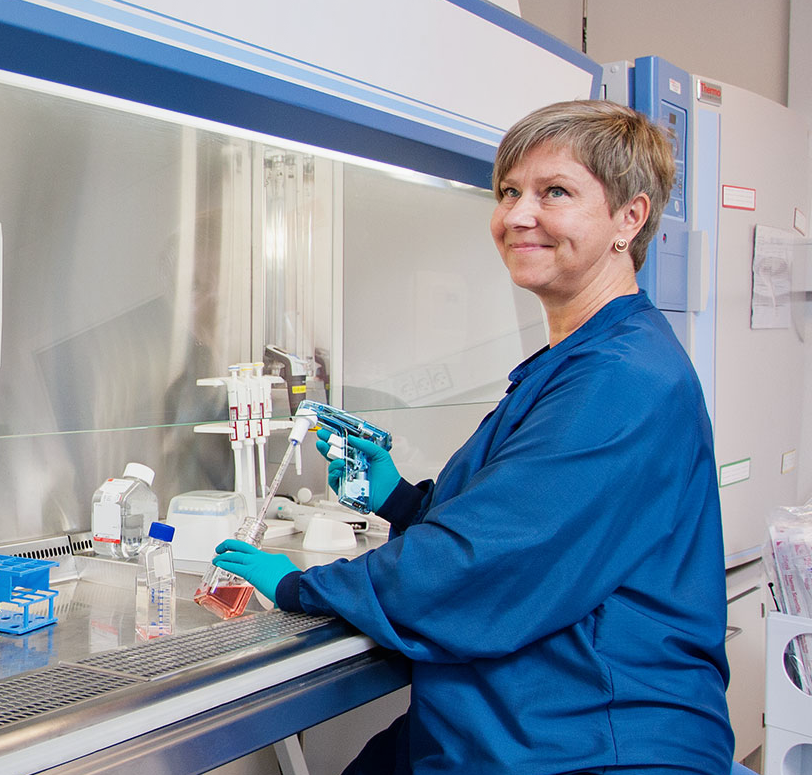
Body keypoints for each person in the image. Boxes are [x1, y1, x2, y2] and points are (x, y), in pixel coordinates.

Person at [212, 100, 735, 775]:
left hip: (587, 739)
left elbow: (484, 561)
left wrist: (302, 588)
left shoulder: (622, 377)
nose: (518, 215)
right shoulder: (583, 357)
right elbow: (527, 519)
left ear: (628, 218)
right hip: (526, 713)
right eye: (509, 192)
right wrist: (401, 500)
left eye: (555, 192)